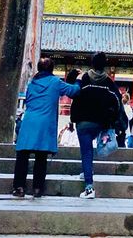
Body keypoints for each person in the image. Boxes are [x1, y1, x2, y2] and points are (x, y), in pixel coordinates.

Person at [11, 58, 80, 198]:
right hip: (44, 122)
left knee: (22, 156)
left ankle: (19, 187)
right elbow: (73, 91)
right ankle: (37, 188)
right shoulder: (55, 82)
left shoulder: (32, 83)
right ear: (51, 69)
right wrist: (79, 81)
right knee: (41, 157)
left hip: (29, 121)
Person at [70, 52, 124, 200]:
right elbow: (117, 101)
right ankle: (87, 171)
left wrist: (74, 74)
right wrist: (113, 121)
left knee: (86, 151)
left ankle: (89, 187)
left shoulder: (84, 78)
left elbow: (72, 91)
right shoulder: (108, 81)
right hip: (101, 122)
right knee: (88, 151)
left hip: (83, 122)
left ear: (91, 63)